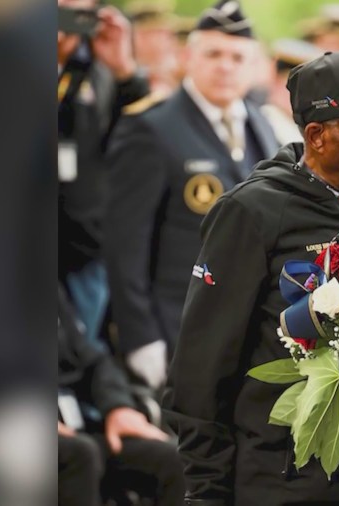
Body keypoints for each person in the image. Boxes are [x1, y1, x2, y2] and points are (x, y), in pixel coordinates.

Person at [166, 50, 339, 506]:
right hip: (285, 480)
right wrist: (206, 492)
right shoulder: (250, 213)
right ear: (317, 135)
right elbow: (201, 372)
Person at [104, 0, 279, 394]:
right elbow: (124, 245)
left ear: (252, 66)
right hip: (177, 329)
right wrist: (140, 338)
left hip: (248, 334)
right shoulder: (151, 127)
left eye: (237, 57)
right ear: (188, 57)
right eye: (213, 53)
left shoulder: (262, 126)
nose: (225, 66)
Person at [58, 0, 151, 345]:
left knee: (83, 357)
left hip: (85, 247)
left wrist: (125, 70)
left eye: (79, 10)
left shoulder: (100, 64)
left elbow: (139, 141)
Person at [58, 284, 185, 506]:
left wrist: (117, 406)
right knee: (81, 456)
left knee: (173, 458)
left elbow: (92, 359)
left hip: (78, 423)